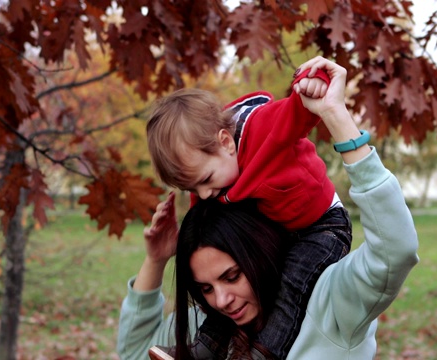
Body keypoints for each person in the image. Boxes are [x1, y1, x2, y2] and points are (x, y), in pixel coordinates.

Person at [117, 56, 420, 359]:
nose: (221, 300)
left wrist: (334, 113)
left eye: (232, 276)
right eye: (205, 289)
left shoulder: (331, 304)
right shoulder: (215, 314)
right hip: (284, 221)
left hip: (322, 224)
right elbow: (135, 354)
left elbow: (396, 251)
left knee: (292, 285)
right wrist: (156, 261)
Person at [145, 58, 353, 359]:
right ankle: (201, 350)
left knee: (291, 286)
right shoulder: (212, 185)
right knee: (223, 291)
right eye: (192, 189)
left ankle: (263, 353)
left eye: (204, 180)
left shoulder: (262, 128)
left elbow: (297, 112)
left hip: (321, 226)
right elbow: (206, 227)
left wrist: (313, 82)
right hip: (279, 229)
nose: (203, 194)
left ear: (225, 142)